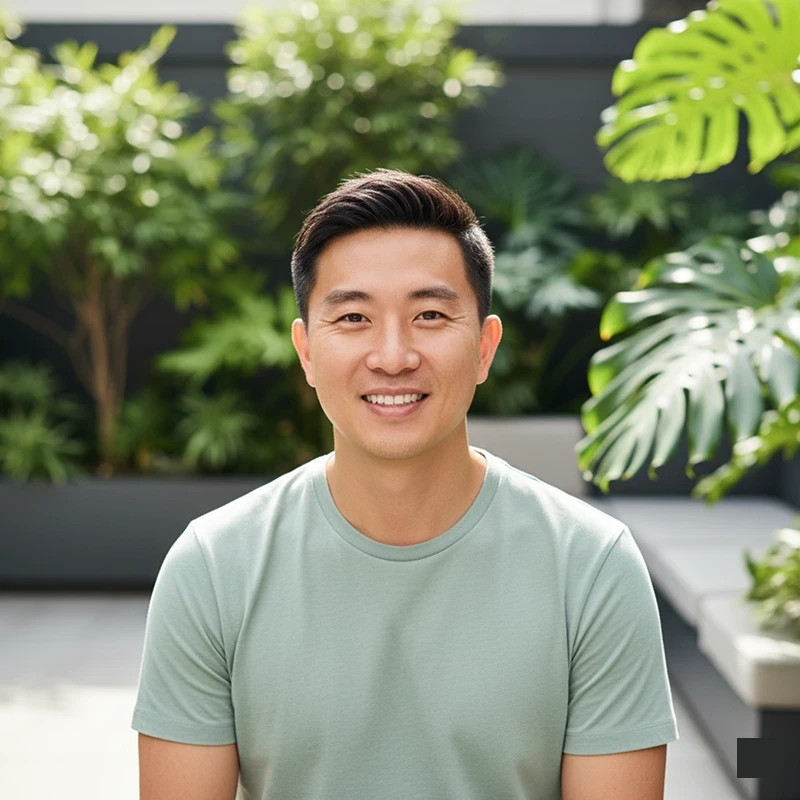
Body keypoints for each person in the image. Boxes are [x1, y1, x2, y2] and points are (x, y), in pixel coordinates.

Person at [131, 168, 679, 800]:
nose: (393, 356)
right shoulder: (212, 566)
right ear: (306, 352)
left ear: (485, 347)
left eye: (430, 314)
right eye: (354, 317)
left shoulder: (591, 567)